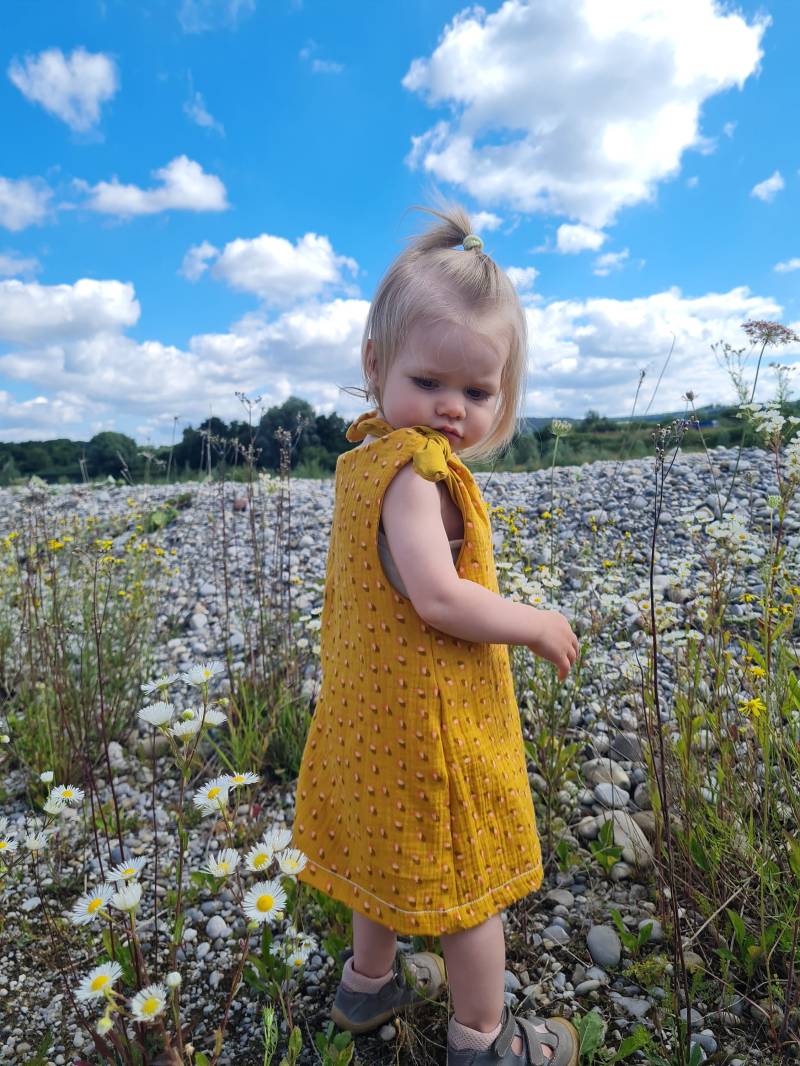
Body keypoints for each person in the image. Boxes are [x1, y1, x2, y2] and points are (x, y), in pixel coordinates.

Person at [291, 202, 580, 1065]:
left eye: (477, 391)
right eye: (430, 383)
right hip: (433, 730)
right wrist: (535, 624)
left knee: (381, 852)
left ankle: (367, 987)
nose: (451, 409)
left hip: (370, 719)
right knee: (468, 888)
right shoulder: (416, 476)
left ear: (503, 395)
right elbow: (438, 600)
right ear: (376, 366)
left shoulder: (362, 463)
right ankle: (485, 1039)